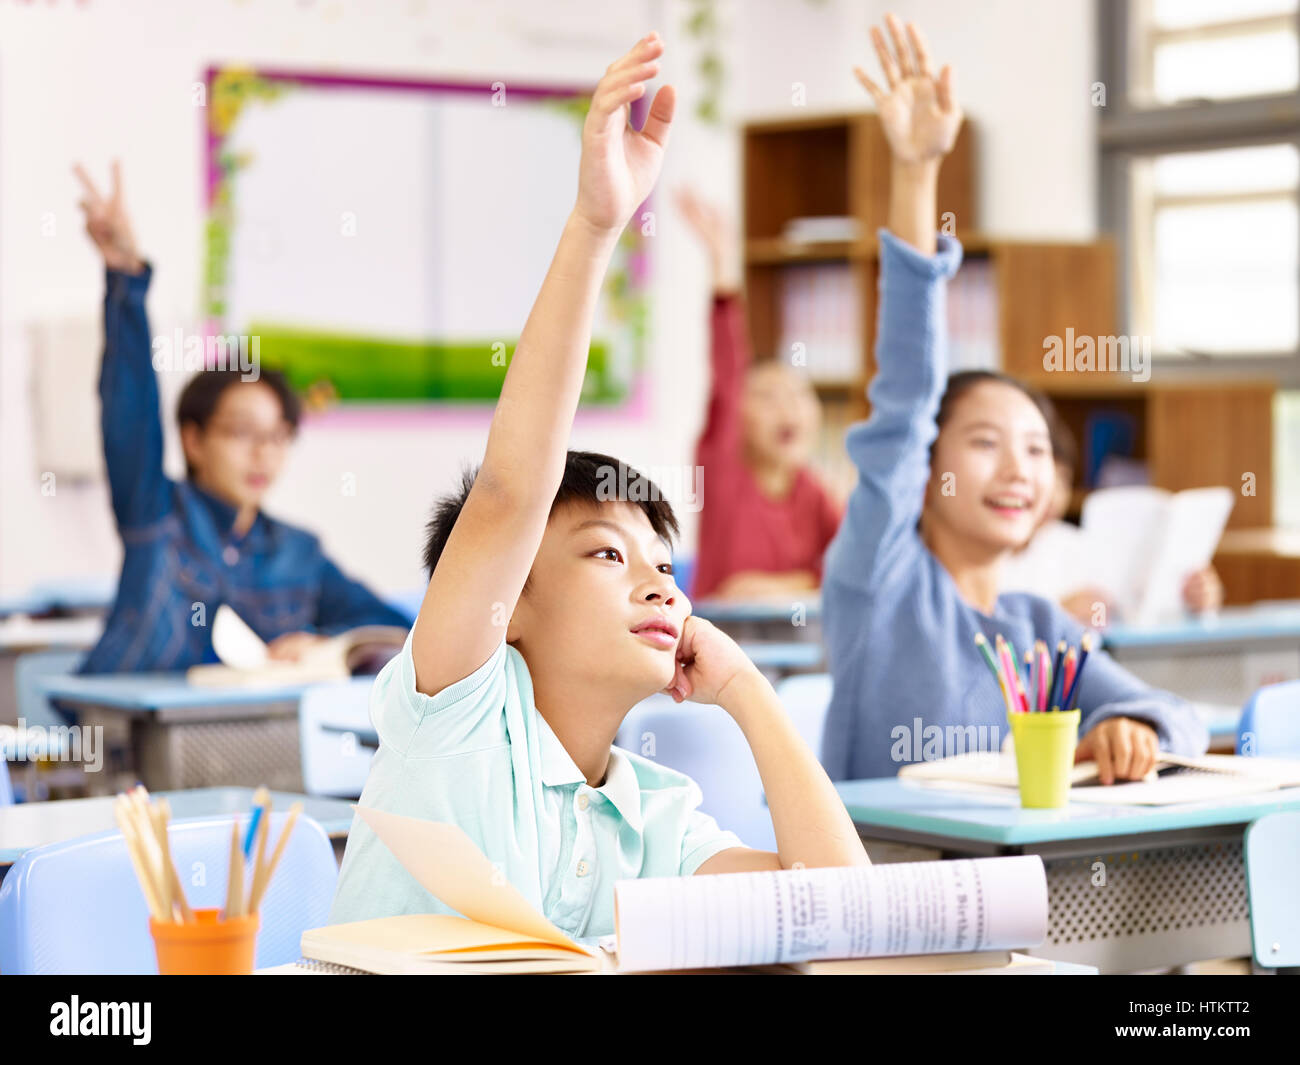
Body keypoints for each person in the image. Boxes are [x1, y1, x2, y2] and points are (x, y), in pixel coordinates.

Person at [329, 33, 867, 940]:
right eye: (609, 554)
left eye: (664, 562)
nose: (660, 583)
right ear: (513, 605)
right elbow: (510, 491)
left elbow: (840, 916)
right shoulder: (457, 712)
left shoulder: (653, 813)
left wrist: (748, 692)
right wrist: (596, 225)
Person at [820, 15, 1208, 785]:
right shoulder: (880, 579)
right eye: (986, 442)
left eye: (1036, 449)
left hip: (1001, 895)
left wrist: (1127, 725)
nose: (1019, 469)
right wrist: (917, 173)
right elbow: (904, 395)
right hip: (880, 893)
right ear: (928, 466)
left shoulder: (1037, 628)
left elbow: (1183, 717)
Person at [74, 162, 410, 674]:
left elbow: (394, 629)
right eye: (242, 433)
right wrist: (126, 277)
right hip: (125, 738)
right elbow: (130, 413)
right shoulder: (158, 517)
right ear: (193, 440)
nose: (264, 453)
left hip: (235, 746)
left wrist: (325, 644)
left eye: (278, 437)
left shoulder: (297, 553)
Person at [677, 188, 842, 600]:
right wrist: (722, 266)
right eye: (767, 396)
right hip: (718, 645)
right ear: (741, 417)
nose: (787, 407)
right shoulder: (723, 467)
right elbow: (729, 372)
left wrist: (778, 587)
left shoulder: (813, 491)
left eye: (798, 395)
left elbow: (854, 569)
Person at [1001, 405, 1224, 626]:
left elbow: (1123, 617)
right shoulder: (995, 554)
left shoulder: (1074, 544)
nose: (1054, 496)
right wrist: (1058, 614)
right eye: (1047, 478)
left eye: (1064, 481)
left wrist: (1196, 601)